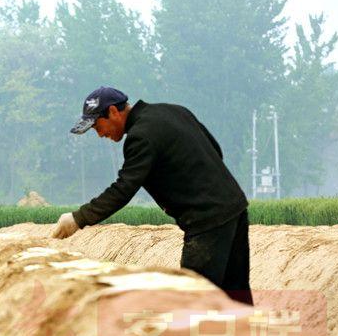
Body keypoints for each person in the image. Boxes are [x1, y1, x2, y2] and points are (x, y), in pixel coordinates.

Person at [52, 87, 253, 305]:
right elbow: (215, 149)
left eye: (97, 127)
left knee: (192, 303)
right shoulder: (174, 111)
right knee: (236, 295)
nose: (100, 134)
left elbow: (123, 189)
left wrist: (78, 219)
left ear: (113, 112)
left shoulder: (140, 137)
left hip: (207, 222)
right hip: (235, 207)